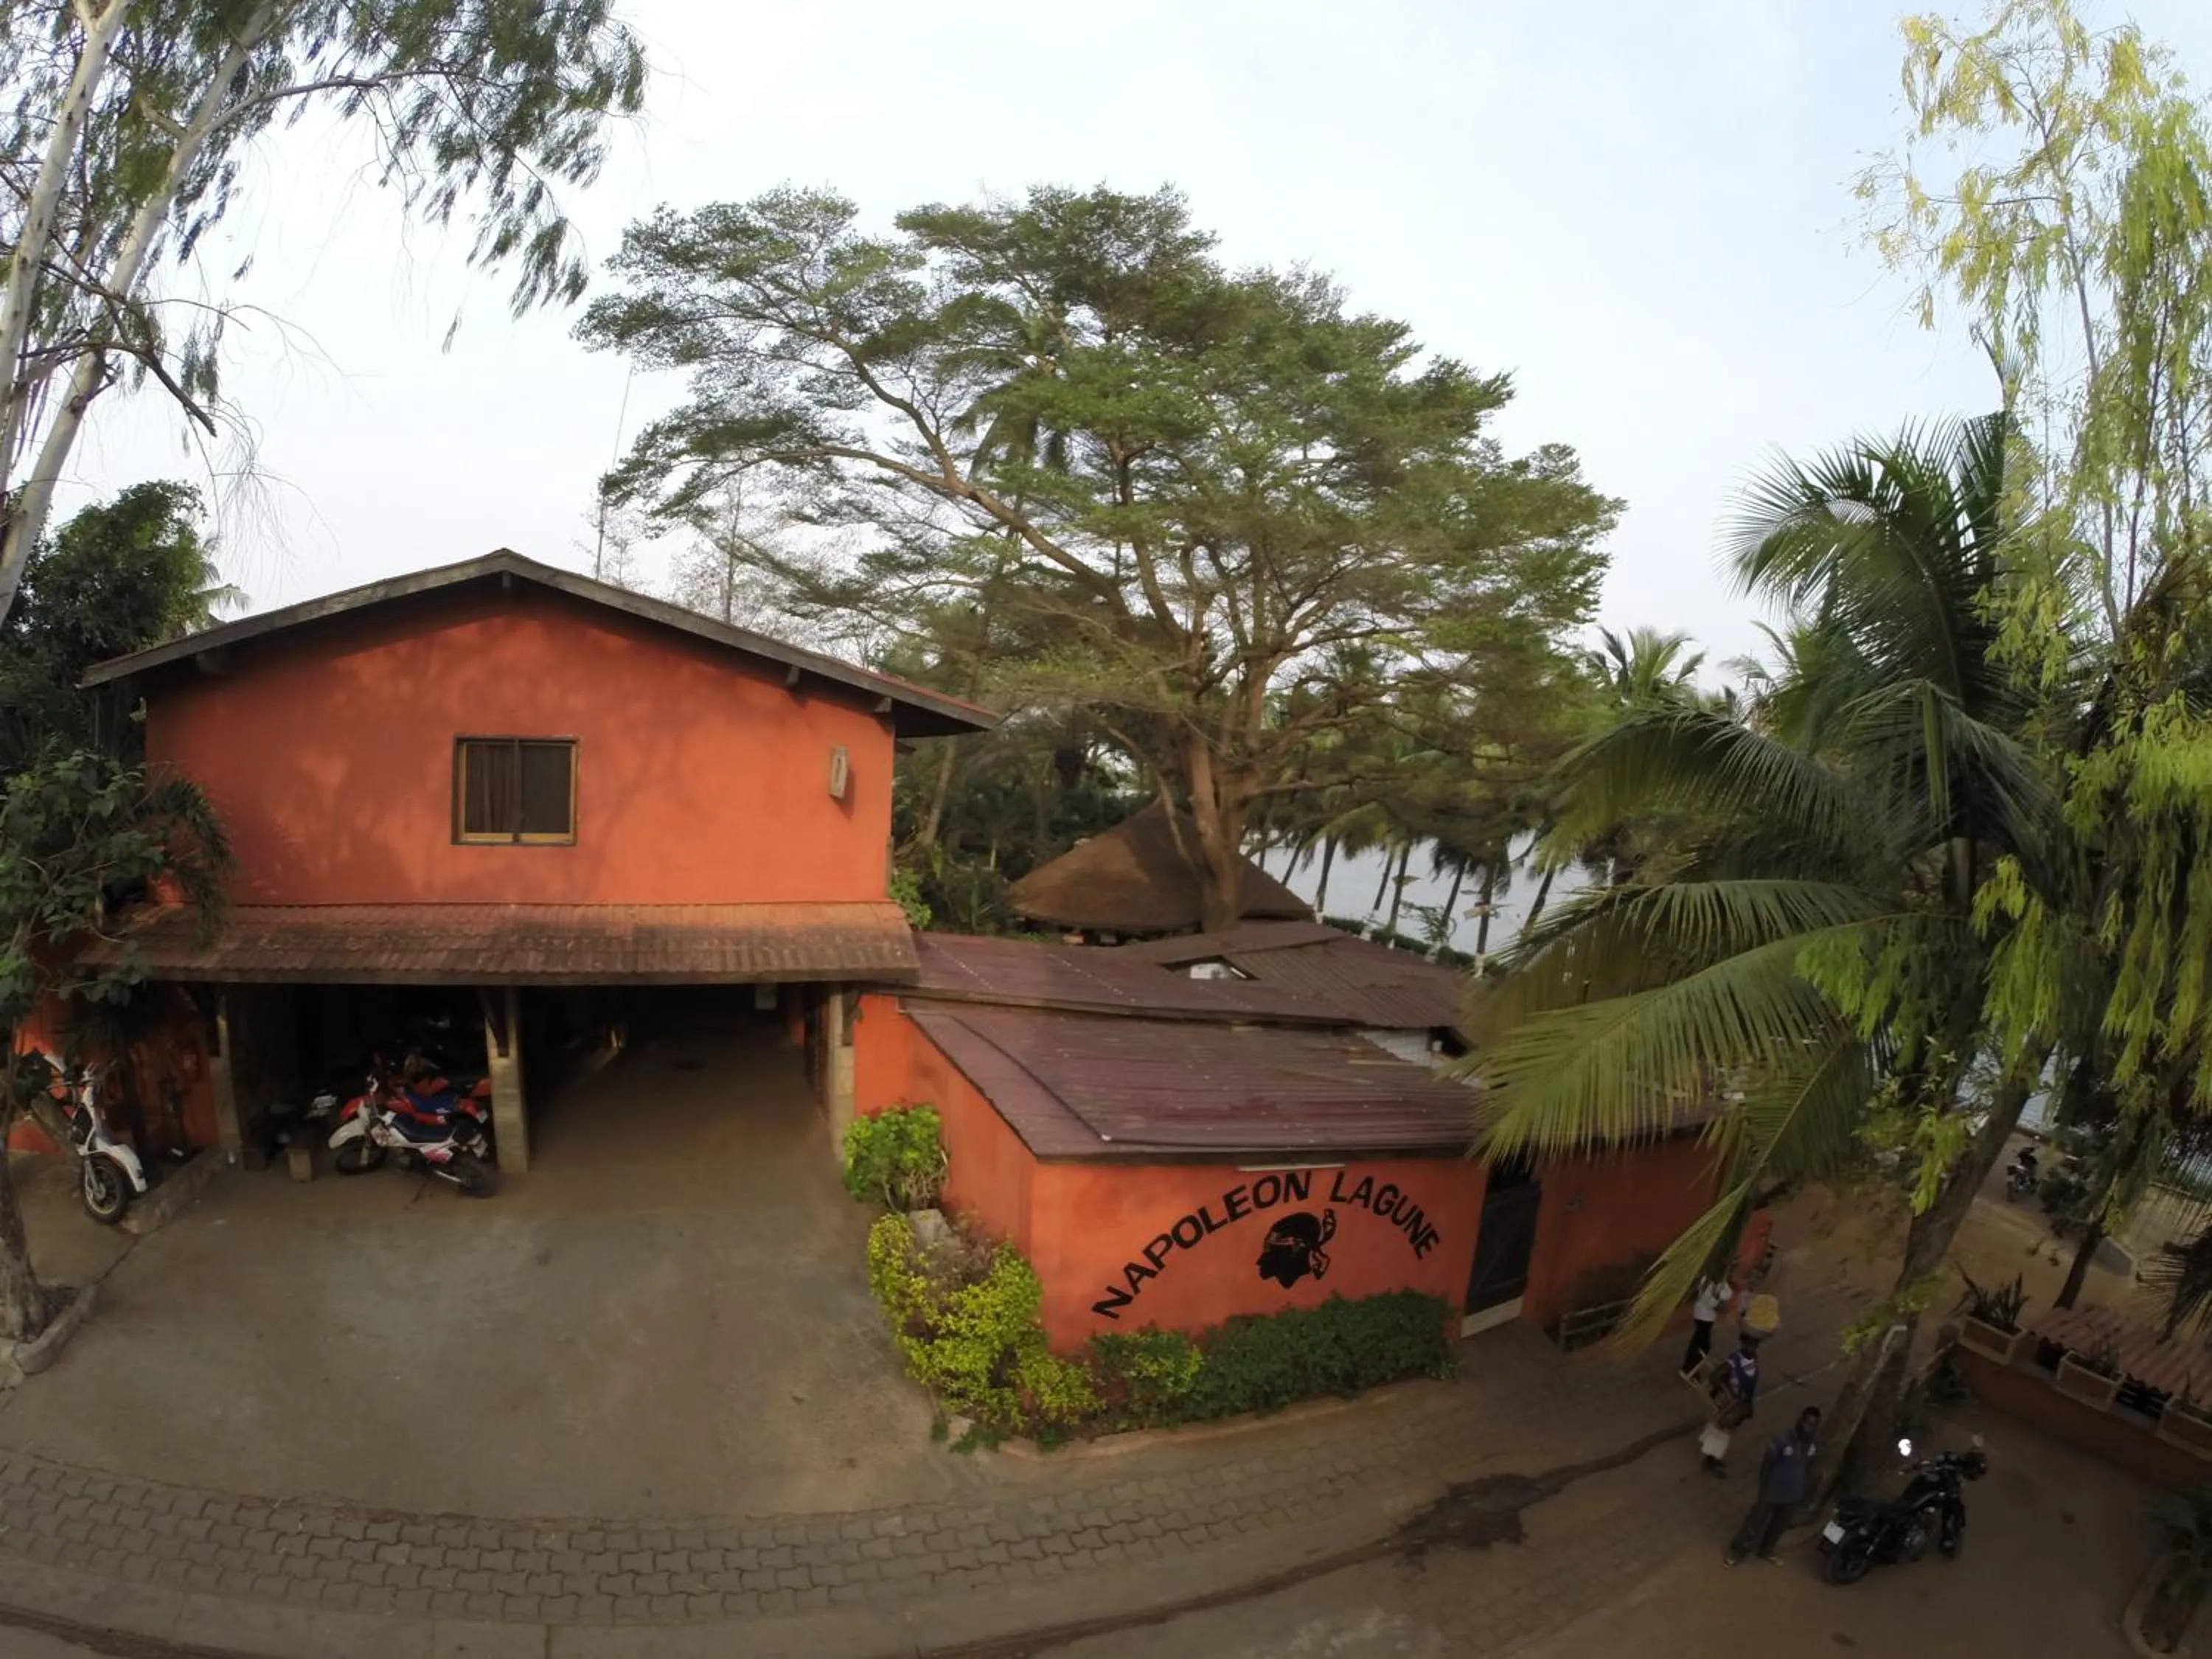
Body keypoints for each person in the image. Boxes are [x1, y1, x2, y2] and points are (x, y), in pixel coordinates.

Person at [1726, 1406, 1822, 1565]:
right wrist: (1764, 1490)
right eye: (1808, 1423)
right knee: (1755, 1522)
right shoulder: (1782, 1440)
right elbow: (1767, 1466)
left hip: (1792, 1494)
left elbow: (1809, 1466)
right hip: (1772, 1490)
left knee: (1780, 1525)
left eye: (1814, 1425)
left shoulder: (1813, 1445)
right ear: (1800, 1420)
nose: (1809, 1427)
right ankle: (1737, 1552)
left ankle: (1766, 1551)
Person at [1698, 1333, 1761, 1477]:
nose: (1752, 1348)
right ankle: (1709, 1462)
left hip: (1741, 1403)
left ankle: (1712, 1459)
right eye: (1749, 1344)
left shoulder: (1753, 1359)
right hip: (1731, 1403)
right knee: (1721, 1432)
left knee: (1726, 1433)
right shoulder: (1735, 1360)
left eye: (1754, 1344)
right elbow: (1715, 1377)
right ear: (1743, 1343)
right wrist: (1729, 1394)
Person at [1680, 1274, 1733, 1378]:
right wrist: (1722, 1302)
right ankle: (1690, 1367)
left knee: (1698, 1341)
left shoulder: (1714, 1281)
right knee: (1702, 1345)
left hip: (1705, 1316)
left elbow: (1727, 1292)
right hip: (1703, 1316)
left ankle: (1690, 1366)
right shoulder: (1708, 1284)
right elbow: (1714, 1303)